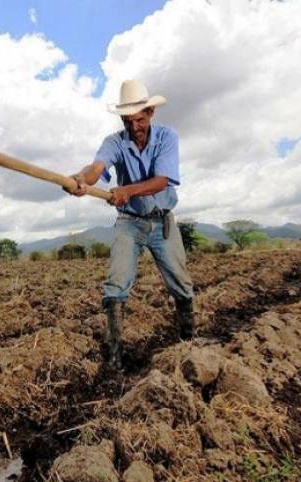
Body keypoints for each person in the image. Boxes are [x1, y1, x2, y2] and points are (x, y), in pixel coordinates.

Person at [66, 79, 195, 369]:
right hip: (129, 222)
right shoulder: (115, 142)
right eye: (128, 120)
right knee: (116, 282)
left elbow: (162, 180)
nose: (134, 125)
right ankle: (114, 356)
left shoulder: (167, 137)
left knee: (181, 282)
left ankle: (188, 340)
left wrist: (127, 191)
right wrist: (80, 180)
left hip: (162, 222)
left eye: (139, 118)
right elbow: (97, 168)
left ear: (150, 113)